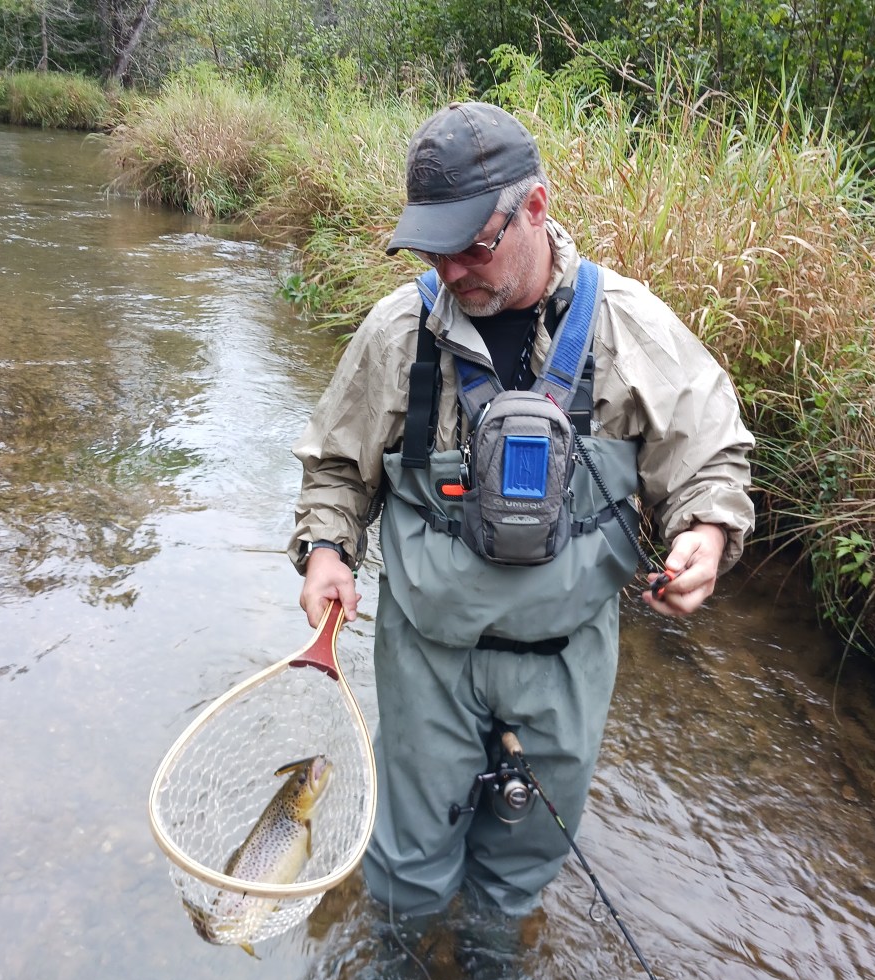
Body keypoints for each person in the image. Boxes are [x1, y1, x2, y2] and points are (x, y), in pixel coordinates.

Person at [289, 101, 754, 926]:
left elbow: (710, 452)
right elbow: (335, 465)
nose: (450, 269)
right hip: (427, 655)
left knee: (525, 855)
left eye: (473, 244)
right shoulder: (398, 331)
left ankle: (494, 954)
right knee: (407, 856)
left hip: (565, 663)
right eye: (433, 248)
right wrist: (327, 548)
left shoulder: (627, 326)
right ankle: (400, 950)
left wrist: (706, 533)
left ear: (535, 206)